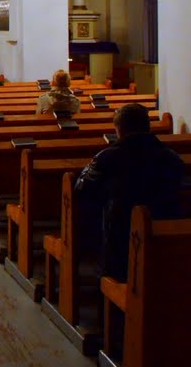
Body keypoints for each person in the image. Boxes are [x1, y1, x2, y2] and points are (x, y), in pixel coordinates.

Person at [74, 102, 184, 281]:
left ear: (120, 130)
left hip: (119, 239)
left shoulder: (108, 157)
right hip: (164, 232)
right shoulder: (171, 157)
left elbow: (82, 188)